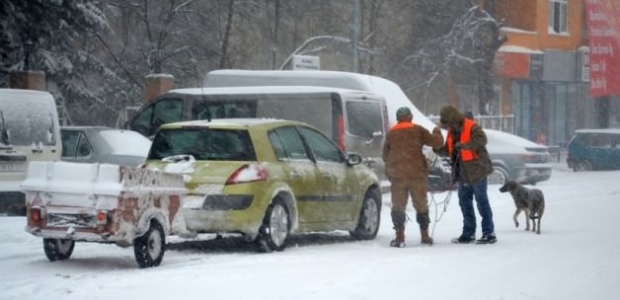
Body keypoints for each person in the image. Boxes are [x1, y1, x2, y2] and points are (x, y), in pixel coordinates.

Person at [382, 107, 444, 247]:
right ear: (410, 117)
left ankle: (399, 237)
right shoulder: (418, 130)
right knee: (421, 204)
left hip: (398, 176)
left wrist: (396, 163)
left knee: (398, 206)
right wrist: (437, 131)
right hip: (416, 174)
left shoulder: (391, 133)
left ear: (398, 118)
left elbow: (385, 156)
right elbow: (437, 143)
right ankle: (425, 236)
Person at [435, 105, 497, 244]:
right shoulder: (452, 131)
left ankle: (489, 233)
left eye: (447, 123)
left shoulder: (472, 127)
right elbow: (448, 149)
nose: (447, 126)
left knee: (481, 201)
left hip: (478, 170)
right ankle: (468, 233)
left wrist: (464, 145)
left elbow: (482, 140)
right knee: (464, 202)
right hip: (463, 172)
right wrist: (437, 148)